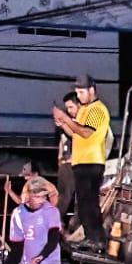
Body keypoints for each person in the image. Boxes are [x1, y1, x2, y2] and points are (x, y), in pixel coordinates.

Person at [52, 73, 110, 245]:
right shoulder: (84, 110)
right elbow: (75, 133)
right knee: (84, 205)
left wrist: (66, 119)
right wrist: (63, 123)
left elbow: (85, 132)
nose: (79, 96)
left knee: (89, 204)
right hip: (81, 162)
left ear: (92, 90)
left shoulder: (97, 109)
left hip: (91, 162)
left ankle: (97, 240)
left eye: (81, 92)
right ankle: (91, 238)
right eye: (77, 92)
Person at [54, 92, 79, 232]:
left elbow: (77, 135)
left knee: (79, 201)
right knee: (65, 198)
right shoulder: (70, 124)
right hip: (69, 165)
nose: (69, 111)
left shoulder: (80, 123)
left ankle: (72, 228)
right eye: (67, 108)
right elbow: (63, 141)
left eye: (71, 107)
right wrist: (61, 159)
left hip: (79, 165)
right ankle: (55, 225)